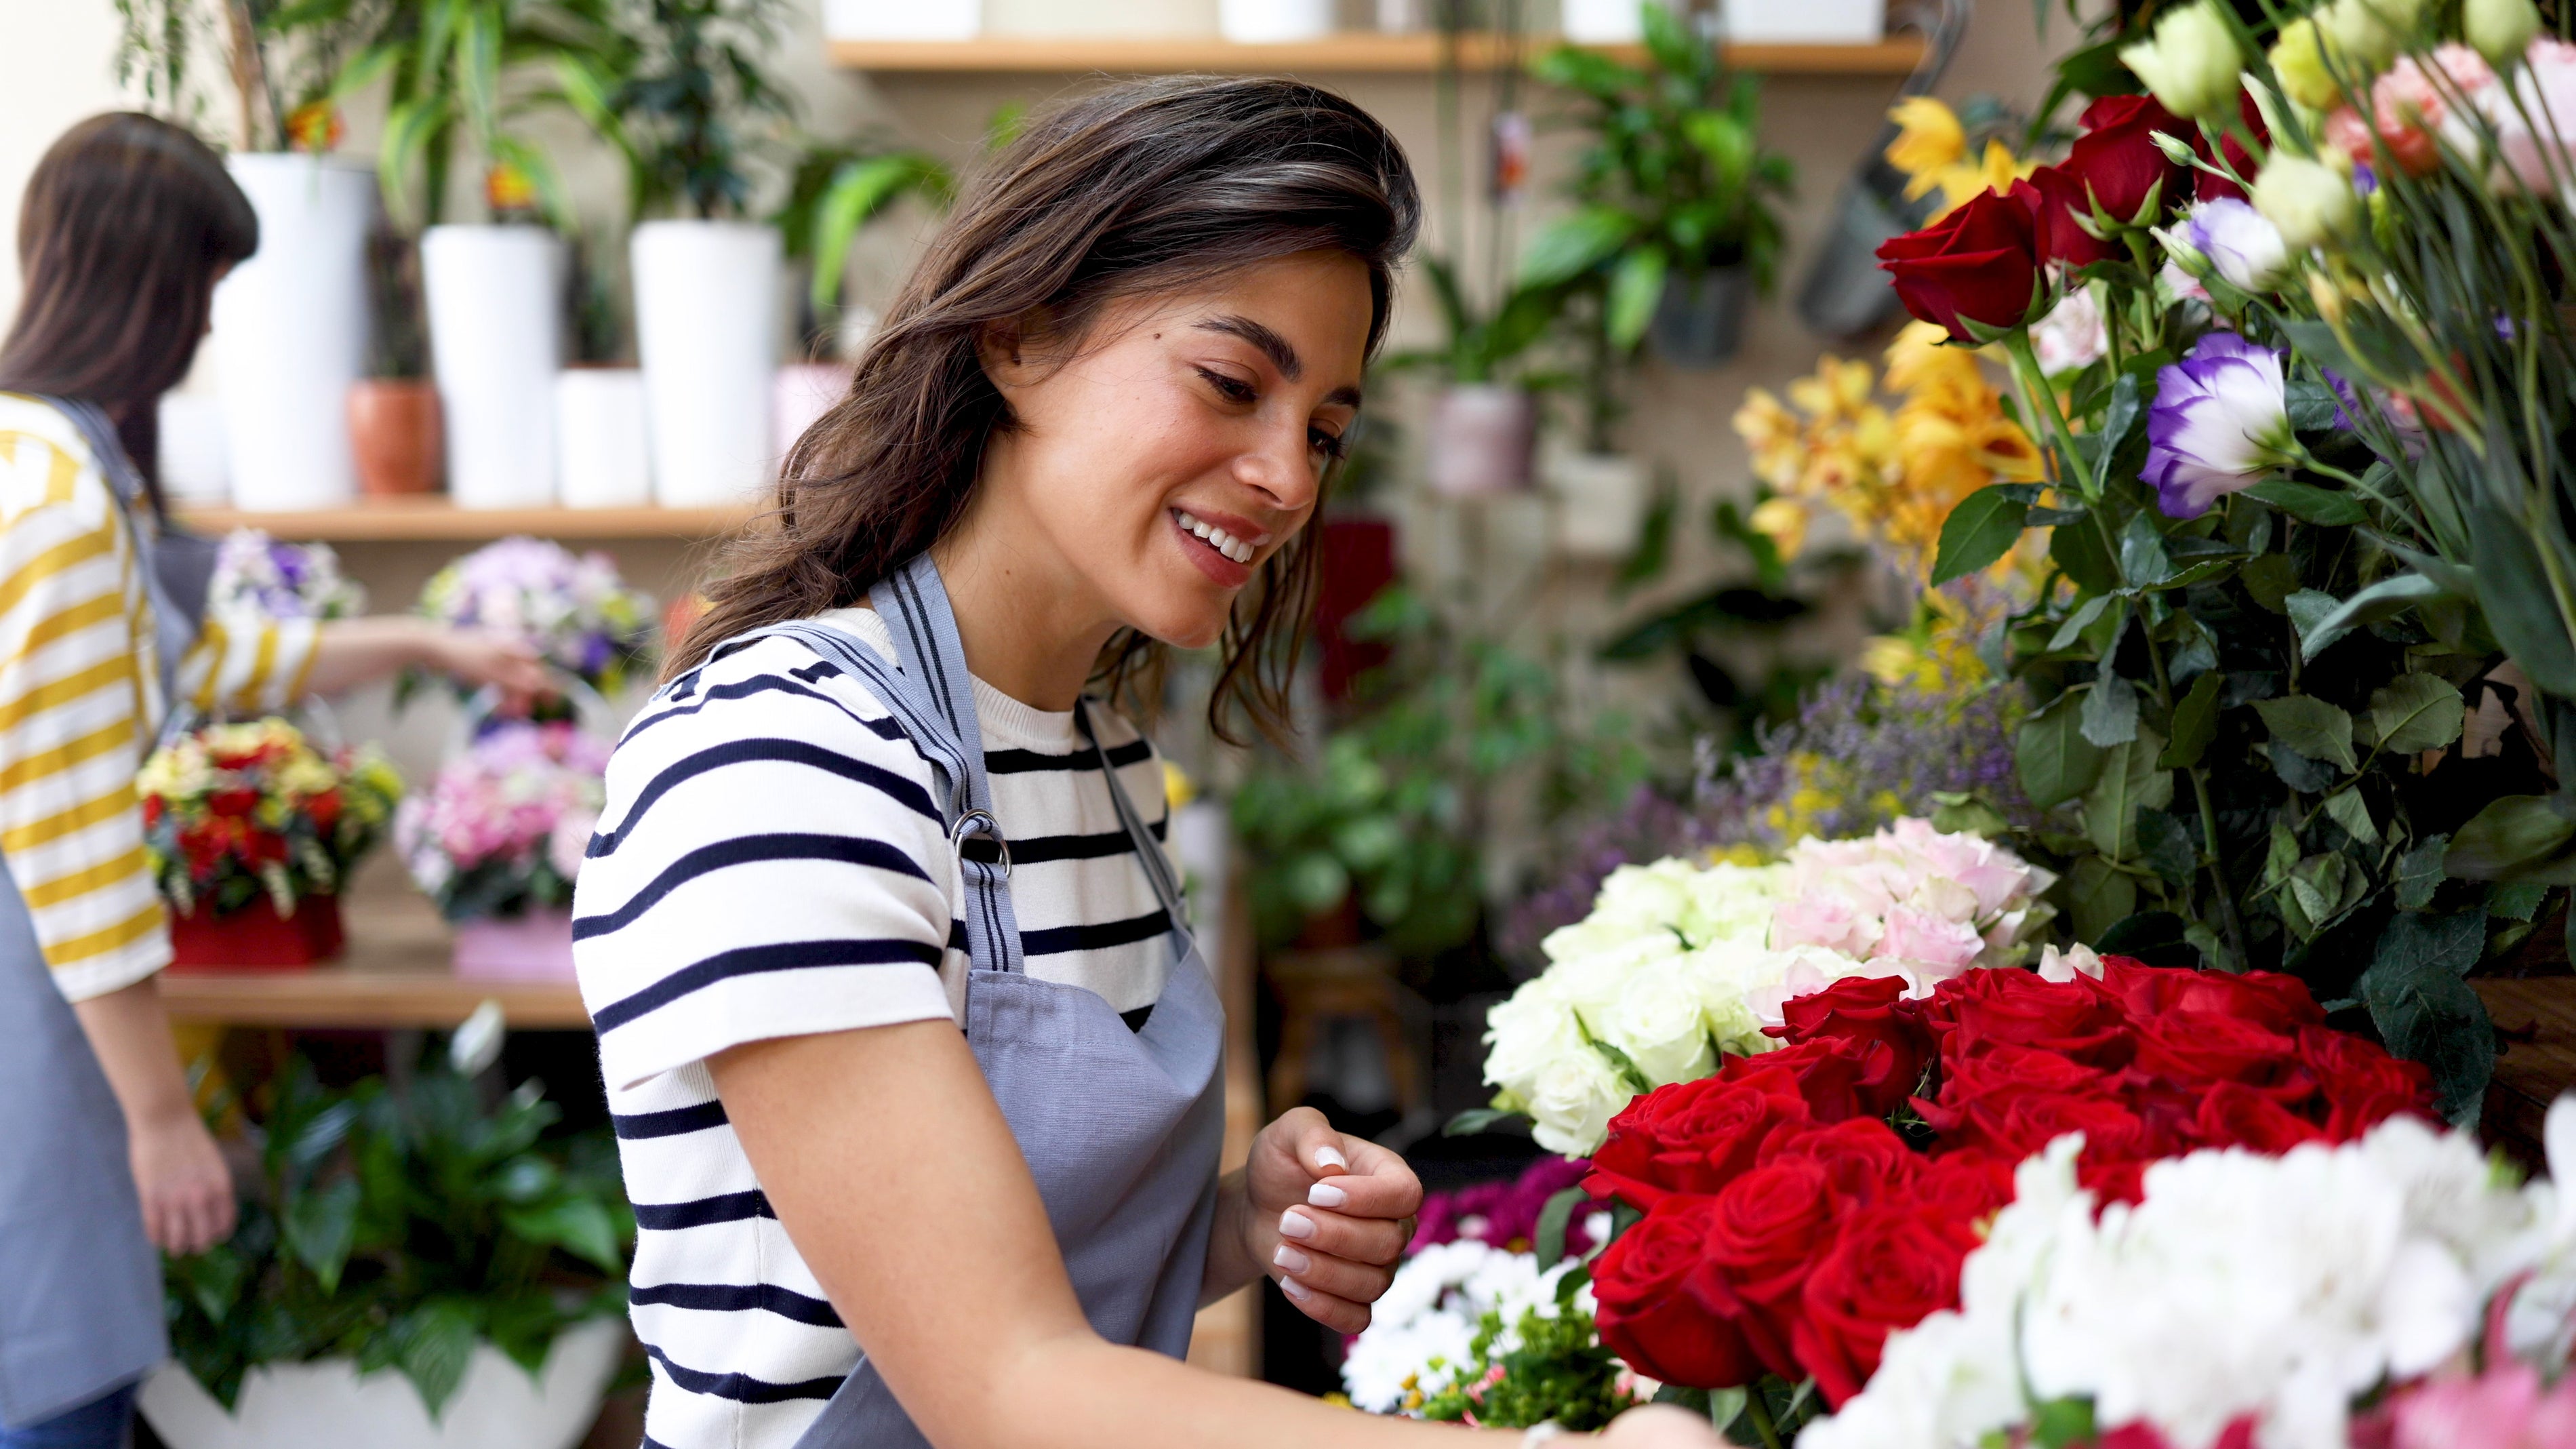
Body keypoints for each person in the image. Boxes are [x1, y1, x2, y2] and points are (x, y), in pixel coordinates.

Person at [572, 78, 1720, 1449]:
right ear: (1015, 333)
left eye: (1325, 430)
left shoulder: (1105, 764)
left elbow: (994, 1279)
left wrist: (1239, 1217)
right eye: (1232, 382)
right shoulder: (785, 761)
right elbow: (1006, 1386)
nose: (1290, 478)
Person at [0, 113, 549, 1448]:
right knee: (52, 1384)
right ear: (149, 290)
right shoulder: (67, 498)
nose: (202, 337)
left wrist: (426, 637)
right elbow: (68, 832)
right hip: (33, 1021)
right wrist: (158, 1121)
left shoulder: (39, 459)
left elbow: (196, 659)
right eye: (201, 295)